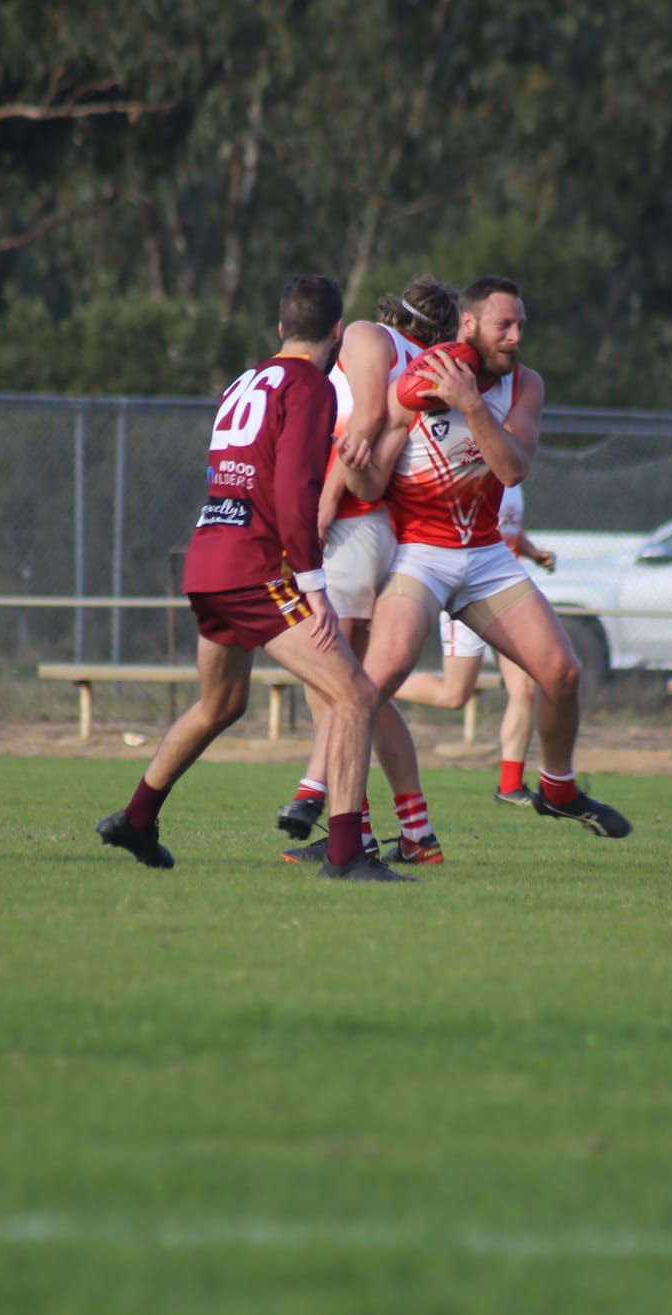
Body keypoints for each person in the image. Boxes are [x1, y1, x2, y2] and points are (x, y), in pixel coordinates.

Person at [97, 275, 408, 882]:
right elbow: (295, 489)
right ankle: (346, 855)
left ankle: (137, 818)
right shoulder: (311, 385)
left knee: (222, 703)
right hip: (253, 569)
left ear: (280, 330)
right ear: (338, 336)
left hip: (209, 559)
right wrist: (314, 587)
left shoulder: (244, 381)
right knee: (356, 696)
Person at [345, 275, 632, 840]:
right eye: (505, 325)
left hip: (485, 556)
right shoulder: (419, 380)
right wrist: (353, 461)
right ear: (469, 325)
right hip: (421, 555)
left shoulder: (524, 385)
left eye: (521, 324)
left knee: (563, 673)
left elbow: (513, 467)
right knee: (374, 684)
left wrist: (472, 406)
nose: (516, 336)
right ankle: (343, 829)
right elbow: (372, 483)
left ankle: (557, 786)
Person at [277, 276, 461, 866]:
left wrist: (323, 507)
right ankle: (415, 832)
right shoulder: (430, 362)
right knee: (366, 696)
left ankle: (324, 806)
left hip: (353, 523)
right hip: (391, 529)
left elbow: (363, 424)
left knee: (337, 689)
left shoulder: (365, 335)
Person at [391, 484, 556, 805]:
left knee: (525, 686)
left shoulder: (511, 469)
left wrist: (533, 552)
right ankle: (370, 686)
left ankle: (510, 786)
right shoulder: (469, 460)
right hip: (465, 588)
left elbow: (506, 531)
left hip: (505, 588)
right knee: (454, 695)